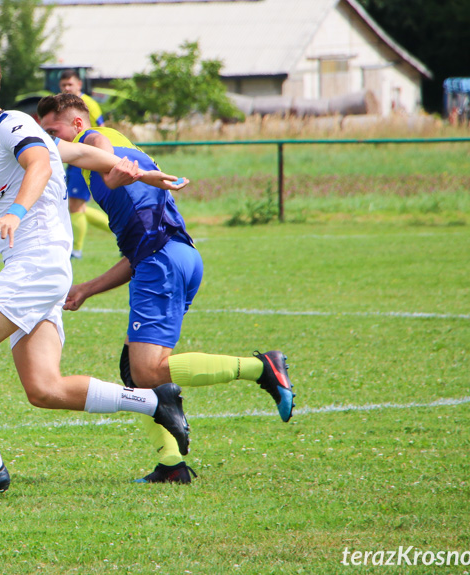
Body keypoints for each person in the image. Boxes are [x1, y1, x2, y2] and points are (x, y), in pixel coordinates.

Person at [0, 55, 191, 499]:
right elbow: (82, 154)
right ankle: (156, 401)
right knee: (44, 389)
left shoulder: (13, 124)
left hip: (35, 267)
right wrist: (139, 171)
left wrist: (14, 214)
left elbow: (41, 165)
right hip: (41, 268)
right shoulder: (11, 132)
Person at [37, 93, 296, 484]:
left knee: (147, 369)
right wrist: (88, 288)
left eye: (53, 130)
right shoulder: (125, 148)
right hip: (176, 258)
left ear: (76, 124)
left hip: (162, 263)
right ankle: (171, 464)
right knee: (137, 372)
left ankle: (262, 368)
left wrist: (110, 173)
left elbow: (101, 153)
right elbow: (138, 252)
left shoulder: (95, 139)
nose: (49, 139)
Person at [59, 69, 109, 259]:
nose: (66, 88)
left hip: (85, 159)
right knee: (77, 207)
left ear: (79, 85)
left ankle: (76, 251)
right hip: (73, 159)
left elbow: (102, 130)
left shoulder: (89, 104)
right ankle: (121, 232)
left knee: (76, 206)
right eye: (63, 85)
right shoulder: (62, 105)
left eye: (70, 84)